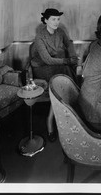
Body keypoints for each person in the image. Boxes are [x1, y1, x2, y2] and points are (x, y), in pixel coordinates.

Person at [30, 8, 79, 142]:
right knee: (63, 78)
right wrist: (68, 60)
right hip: (42, 68)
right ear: (46, 20)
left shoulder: (60, 32)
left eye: (58, 19)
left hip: (58, 65)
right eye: (53, 19)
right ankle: (51, 120)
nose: (56, 22)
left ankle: (64, 116)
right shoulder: (40, 36)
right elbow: (47, 60)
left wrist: (73, 56)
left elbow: (69, 45)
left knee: (66, 74)